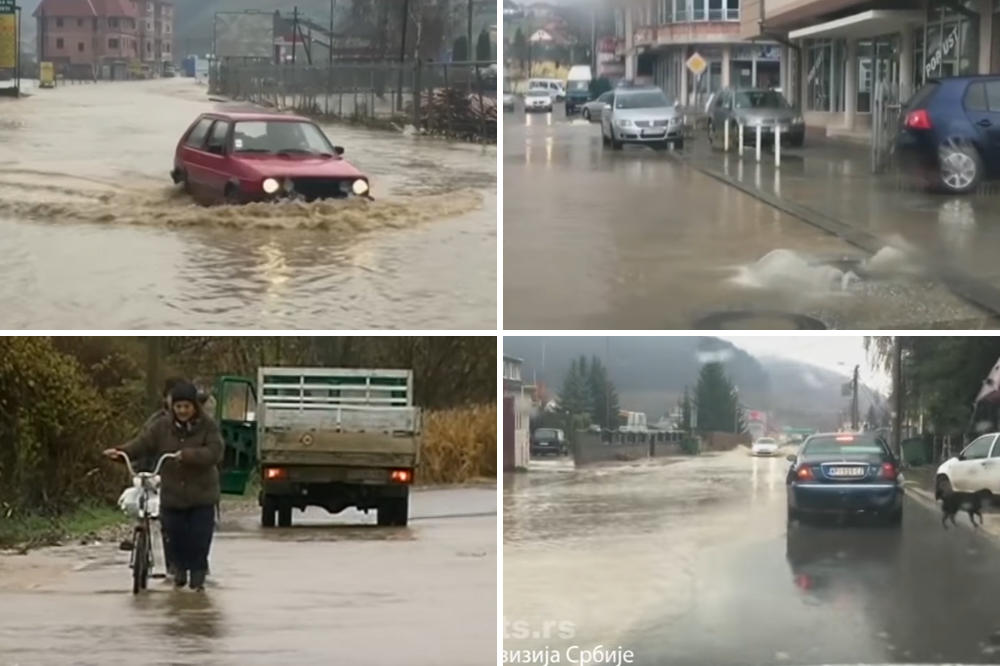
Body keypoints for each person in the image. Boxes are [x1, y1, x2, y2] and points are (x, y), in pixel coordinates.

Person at [105, 381, 223, 591]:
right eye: (178, 407)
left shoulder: (208, 427)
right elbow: (142, 444)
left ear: (194, 406)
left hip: (201, 494)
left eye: (187, 407)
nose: (183, 411)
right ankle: (177, 568)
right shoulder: (161, 427)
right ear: (172, 407)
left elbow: (215, 452)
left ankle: (198, 572)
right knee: (173, 534)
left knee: (199, 537)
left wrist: (188, 455)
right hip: (173, 494)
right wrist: (120, 453)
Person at [143, 376, 186, 579]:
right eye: (173, 398)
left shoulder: (197, 424)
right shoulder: (156, 423)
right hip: (154, 475)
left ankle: (181, 563)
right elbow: (141, 444)